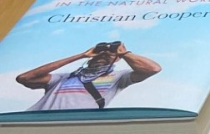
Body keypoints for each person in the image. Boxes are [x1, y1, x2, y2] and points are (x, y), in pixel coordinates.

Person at [15, 42, 161, 111]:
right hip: (37, 120)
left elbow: (153, 69)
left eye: (108, 55)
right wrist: (81, 55)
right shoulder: (64, 78)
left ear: (116, 59)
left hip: (75, 125)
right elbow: (25, 78)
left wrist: (123, 53)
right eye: (99, 55)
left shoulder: (118, 77)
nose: (102, 56)